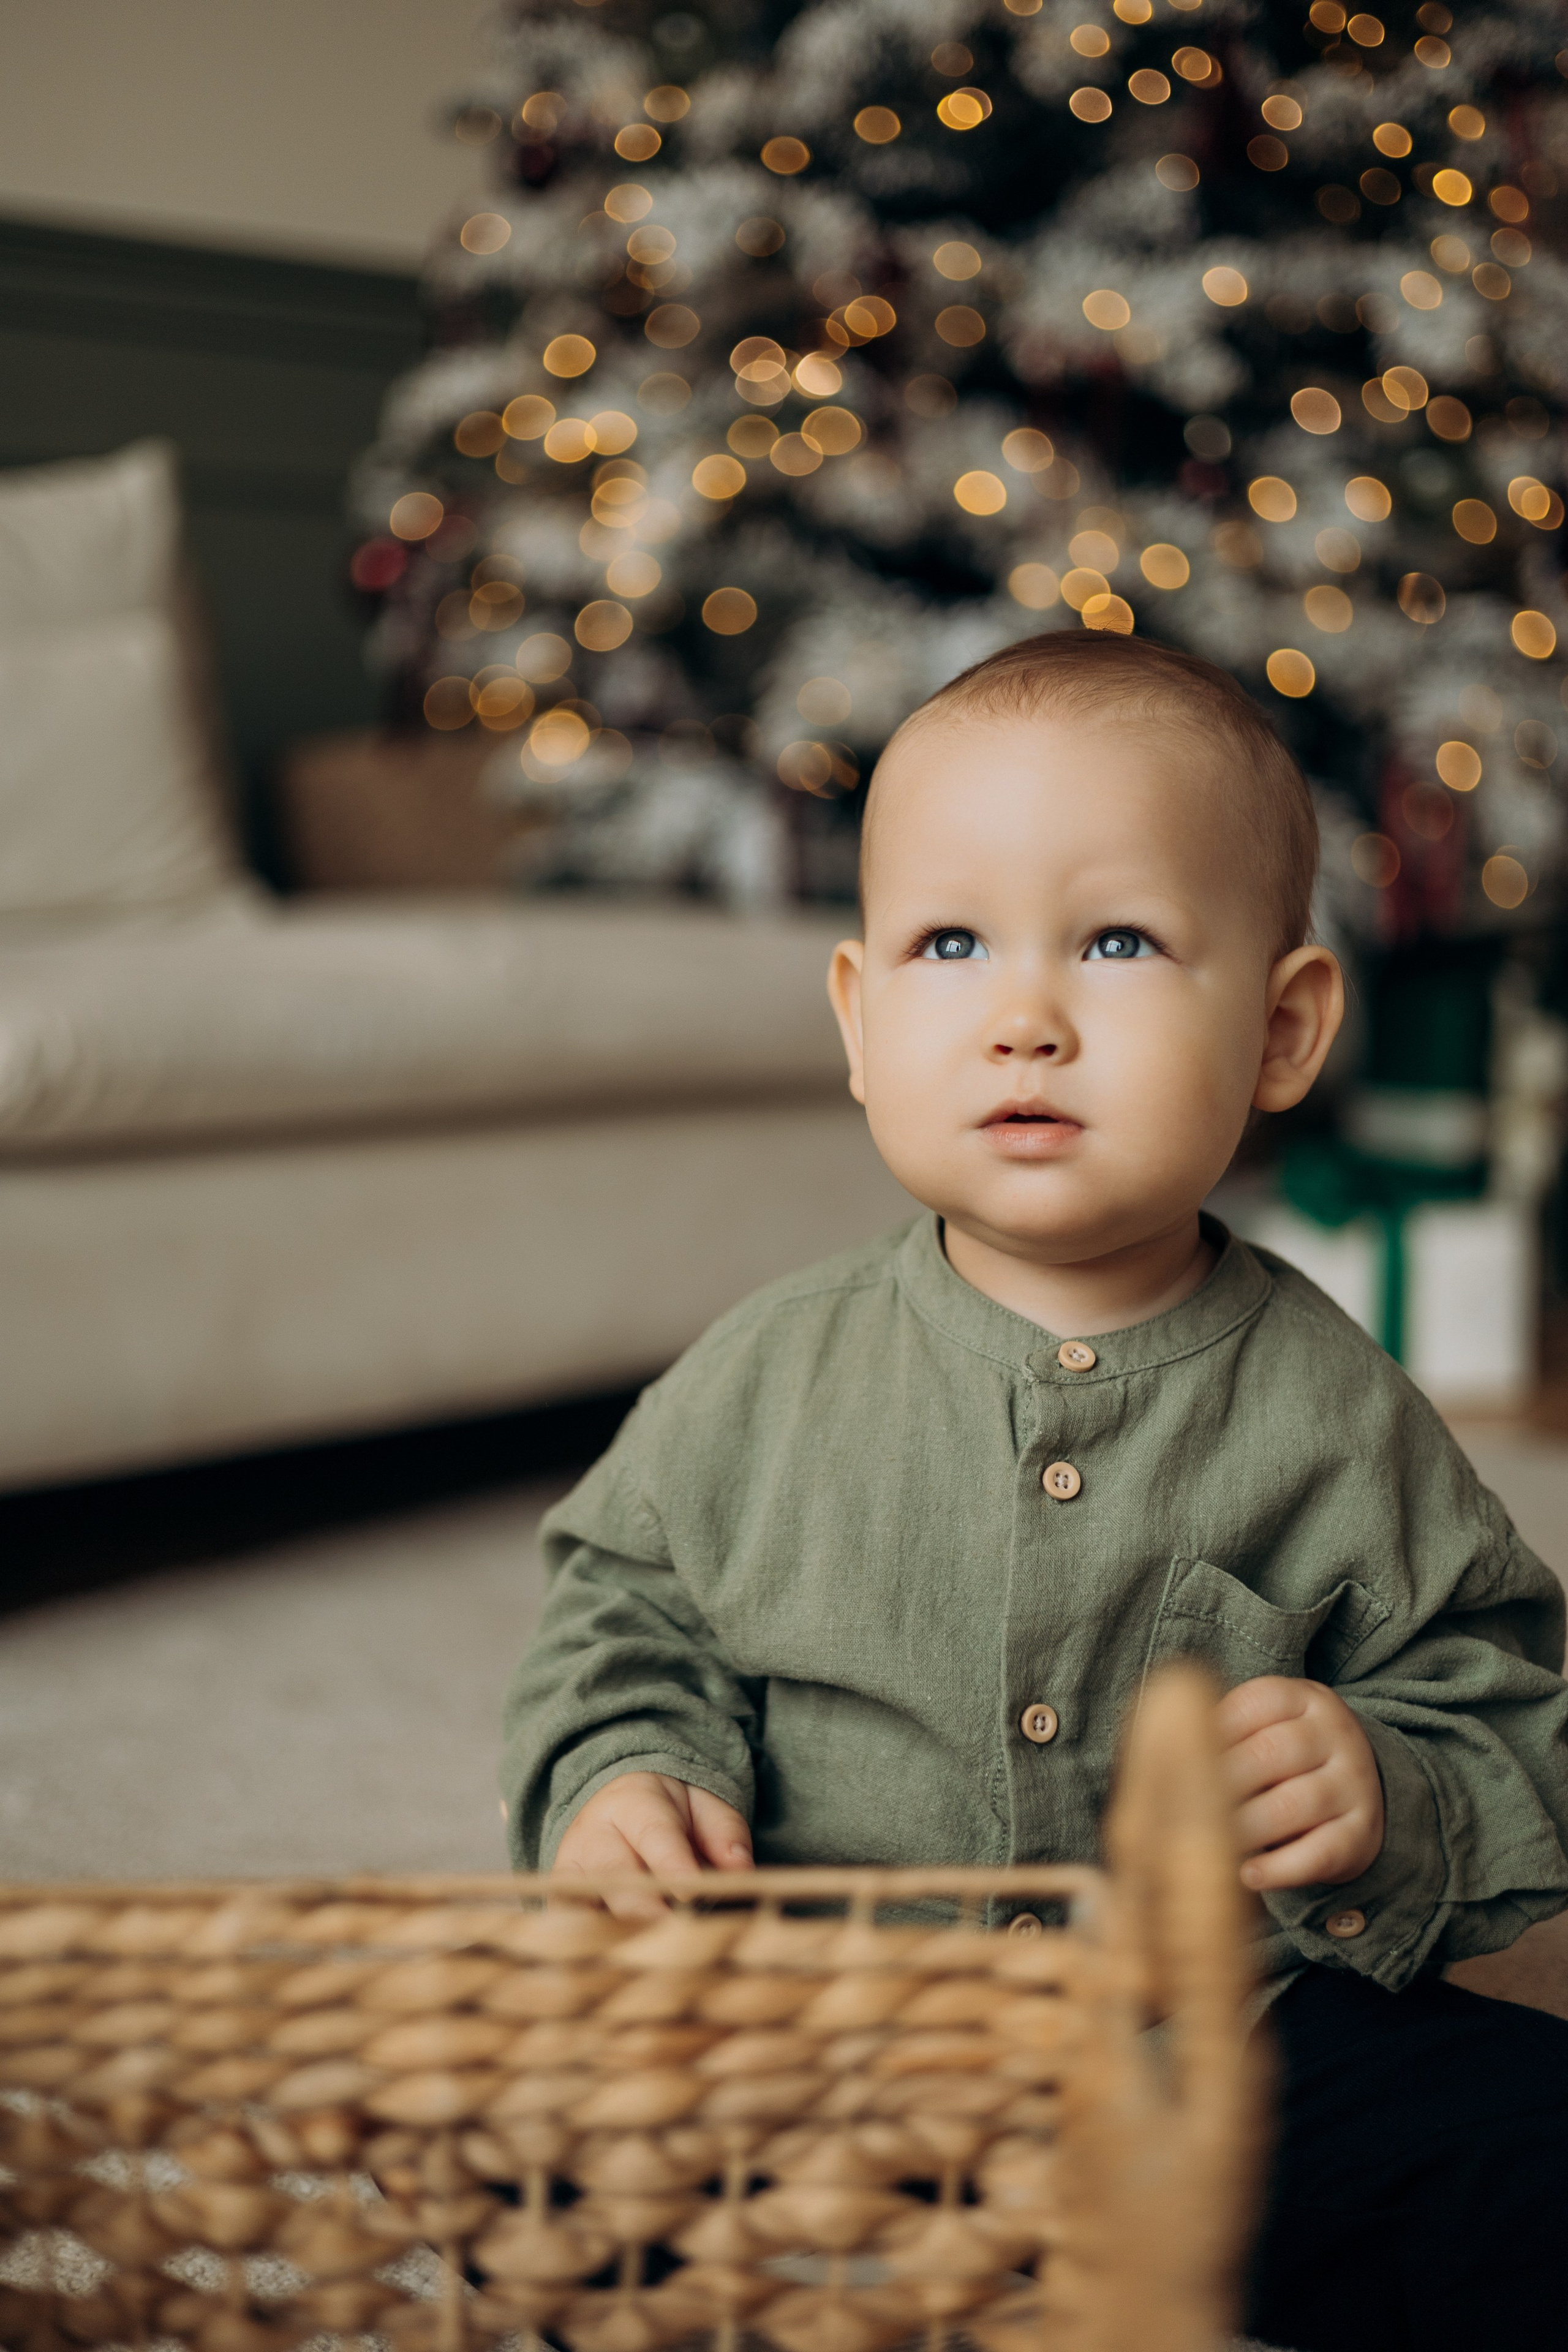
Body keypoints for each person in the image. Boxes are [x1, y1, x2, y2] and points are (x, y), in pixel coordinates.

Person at [500, 630, 1568, 2351]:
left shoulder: (1343, 1415)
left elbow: (1510, 1700)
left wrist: (1390, 1783)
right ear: (861, 1021)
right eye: (950, 944)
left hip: (1218, 2047)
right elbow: (623, 1610)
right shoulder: (768, 1374)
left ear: (1282, 1028)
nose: (1025, 1019)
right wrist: (627, 1775)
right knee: (528, 2137)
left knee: (1527, 2153)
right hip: (816, 2032)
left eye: (1119, 942)